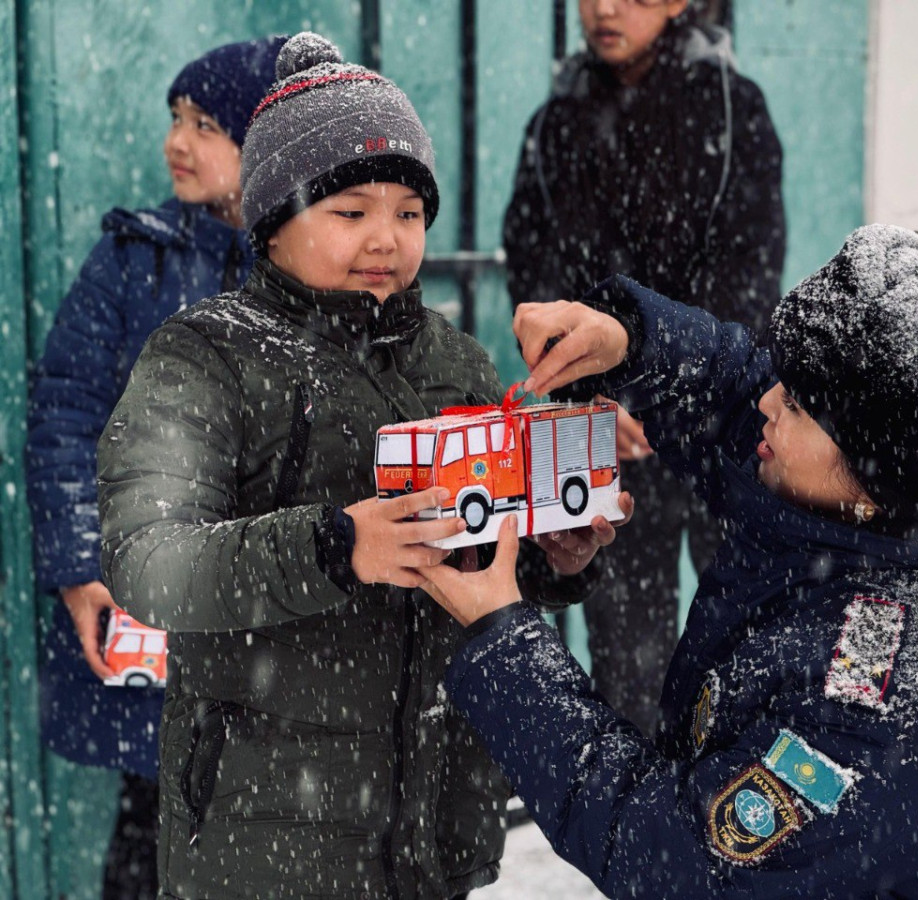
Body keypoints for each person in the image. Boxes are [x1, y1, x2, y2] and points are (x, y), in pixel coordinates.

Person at [418, 225, 918, 897]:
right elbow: (734, 395)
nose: (768, 401)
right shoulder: (867, 512)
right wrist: (632, 340)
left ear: (880, 483)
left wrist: (505, 641)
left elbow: (678, 861)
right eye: (788, 377)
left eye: (802, 404)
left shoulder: (876, 702)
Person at [97, 33, 624, 900]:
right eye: (350, 211)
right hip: (264, 835)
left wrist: (552, 553)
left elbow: (473, 539)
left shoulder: (454, 361)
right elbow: (148, 562)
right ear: (272, 224)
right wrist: (339, 546)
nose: (386, 237)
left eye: (409, 214)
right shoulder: (203, 357)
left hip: (429, 819)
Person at [25, 35, 285, 899]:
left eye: (204, 125)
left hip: (275, 616)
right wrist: (78, 569)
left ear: (268, 143)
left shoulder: (311, 269)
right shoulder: (133, 260)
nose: (176, 142)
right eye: (175, 119)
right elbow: (63, 415)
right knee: (154, 823)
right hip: (154, 602)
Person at [502, 0, 786, 735]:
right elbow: (534, 272)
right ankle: (643, 835)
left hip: (716, 419)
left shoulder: (733, 111)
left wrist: (663, 387)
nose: (603, 8)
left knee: (746, 644)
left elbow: (747, 276)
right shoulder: (554, 123)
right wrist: (593, 394)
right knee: (626, 656)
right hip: (600, 428)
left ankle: (735, 827)